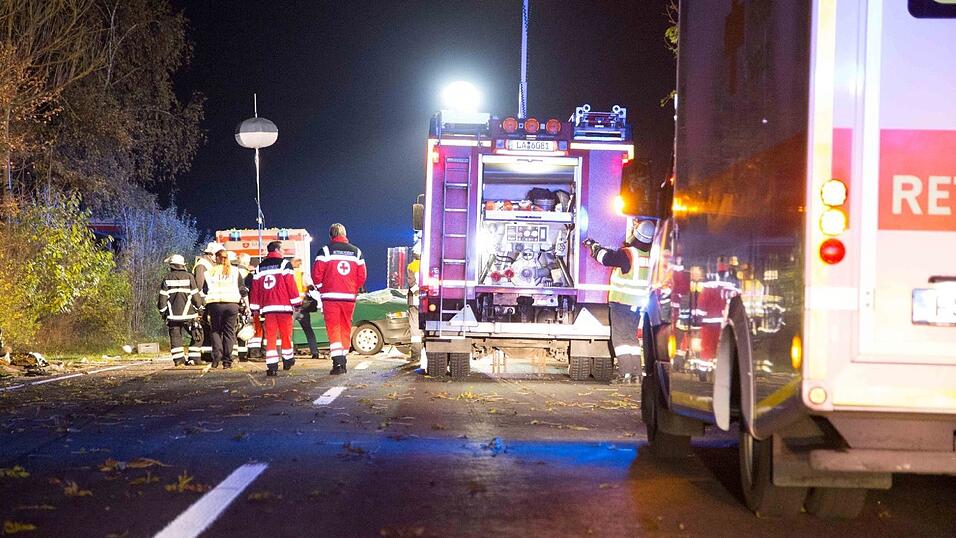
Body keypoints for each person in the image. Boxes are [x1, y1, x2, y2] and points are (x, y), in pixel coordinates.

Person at [583, 218, 656, 383]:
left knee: (620, 339)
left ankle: (625, 374)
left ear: (635, 234)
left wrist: (593, 246)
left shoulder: (628, 253)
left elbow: (605, 258)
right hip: (637, 305)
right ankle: (636, 375)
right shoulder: (649, 256)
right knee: (631, 338)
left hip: (622, 303)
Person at [312, 223, 367, 375]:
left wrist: (322, 287)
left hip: (330, 297)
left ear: (331, 235)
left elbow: (316, 274)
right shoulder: (356, 252)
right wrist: (353, 288)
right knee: (345, 327)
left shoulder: (325, 251)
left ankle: (338, 363)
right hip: (349, 297)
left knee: (334, 328)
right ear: (345, 234)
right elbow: (362, 276)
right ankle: (343, 358)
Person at [250, 241, 302, 376]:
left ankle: (272, 366)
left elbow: (255, 290)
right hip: (284, 307)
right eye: (282, 249)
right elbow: (291, 285)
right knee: (286, 335)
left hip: (268, 308)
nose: (284, 252)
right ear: (277, 250)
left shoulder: (260, 267)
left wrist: (255, 308)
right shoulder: (285, 264)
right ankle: (287, 360)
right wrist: (297, 303)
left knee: (271, 337)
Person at [204, 248, 247, 368]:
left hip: (215, 304)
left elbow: (205, 290)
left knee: (216, 331)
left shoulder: (210, 272)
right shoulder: (235, 271)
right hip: (232, 304)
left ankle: (216, 357)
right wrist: (247, 306)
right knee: (229, 332)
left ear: (217, 258)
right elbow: (242, 290)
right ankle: (227, 361)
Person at [158, 254, 203, 366]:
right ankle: (194, 358)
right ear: (183, 265)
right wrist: (200, 308)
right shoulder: (189, 277)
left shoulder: (167, 278)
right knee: (198, 334)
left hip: (173, 316)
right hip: (189, 316)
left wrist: (163, 312)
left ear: (171, 266)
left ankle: (179, 361)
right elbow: (195, 296)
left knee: (175, 337)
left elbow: (162, 298)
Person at [190, 242, 223, 363]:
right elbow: (199, 286)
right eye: (217, 255)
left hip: (211, 300)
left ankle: (211, 354)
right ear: (211, 254)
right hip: (205, 302)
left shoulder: (209, 265)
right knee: (206, 329)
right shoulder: (202, 265)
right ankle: (206, 355)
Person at [291, 257, 320, 360]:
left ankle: (288, 352)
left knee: (288, 330)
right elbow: (312, 286)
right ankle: (315, 351)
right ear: (300, 264)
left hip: (291, 307)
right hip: (303, 306)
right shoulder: (303, 274)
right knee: (308, 330)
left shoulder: (288, 274)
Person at [406, 250, 422, 362]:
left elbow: (411, 281)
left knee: (415, 327)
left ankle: (416, 355)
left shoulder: (411, 266)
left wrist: (416, 292)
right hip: (427, 300)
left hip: (414, 301)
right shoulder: (429, 264)